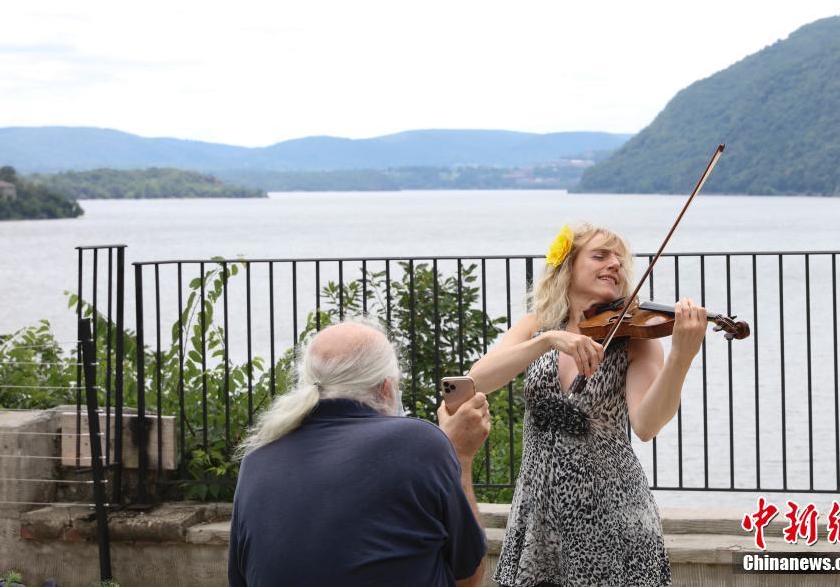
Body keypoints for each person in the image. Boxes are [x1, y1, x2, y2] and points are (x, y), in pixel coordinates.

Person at [469, 223, 709, 587]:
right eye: (600, 255)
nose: (615, 264)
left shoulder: (635, 339)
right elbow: (478, 380)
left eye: (619, 259)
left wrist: (681, 358)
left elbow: (647, 425)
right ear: (568, 267)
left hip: (610, 510)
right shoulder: (538, 326)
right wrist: (548, 340)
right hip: (539, 512)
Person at [228, 319, 490, 586]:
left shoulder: (257, 458)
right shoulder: (419, 443)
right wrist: (459, 454)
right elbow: (468, 576)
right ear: (386, 388)